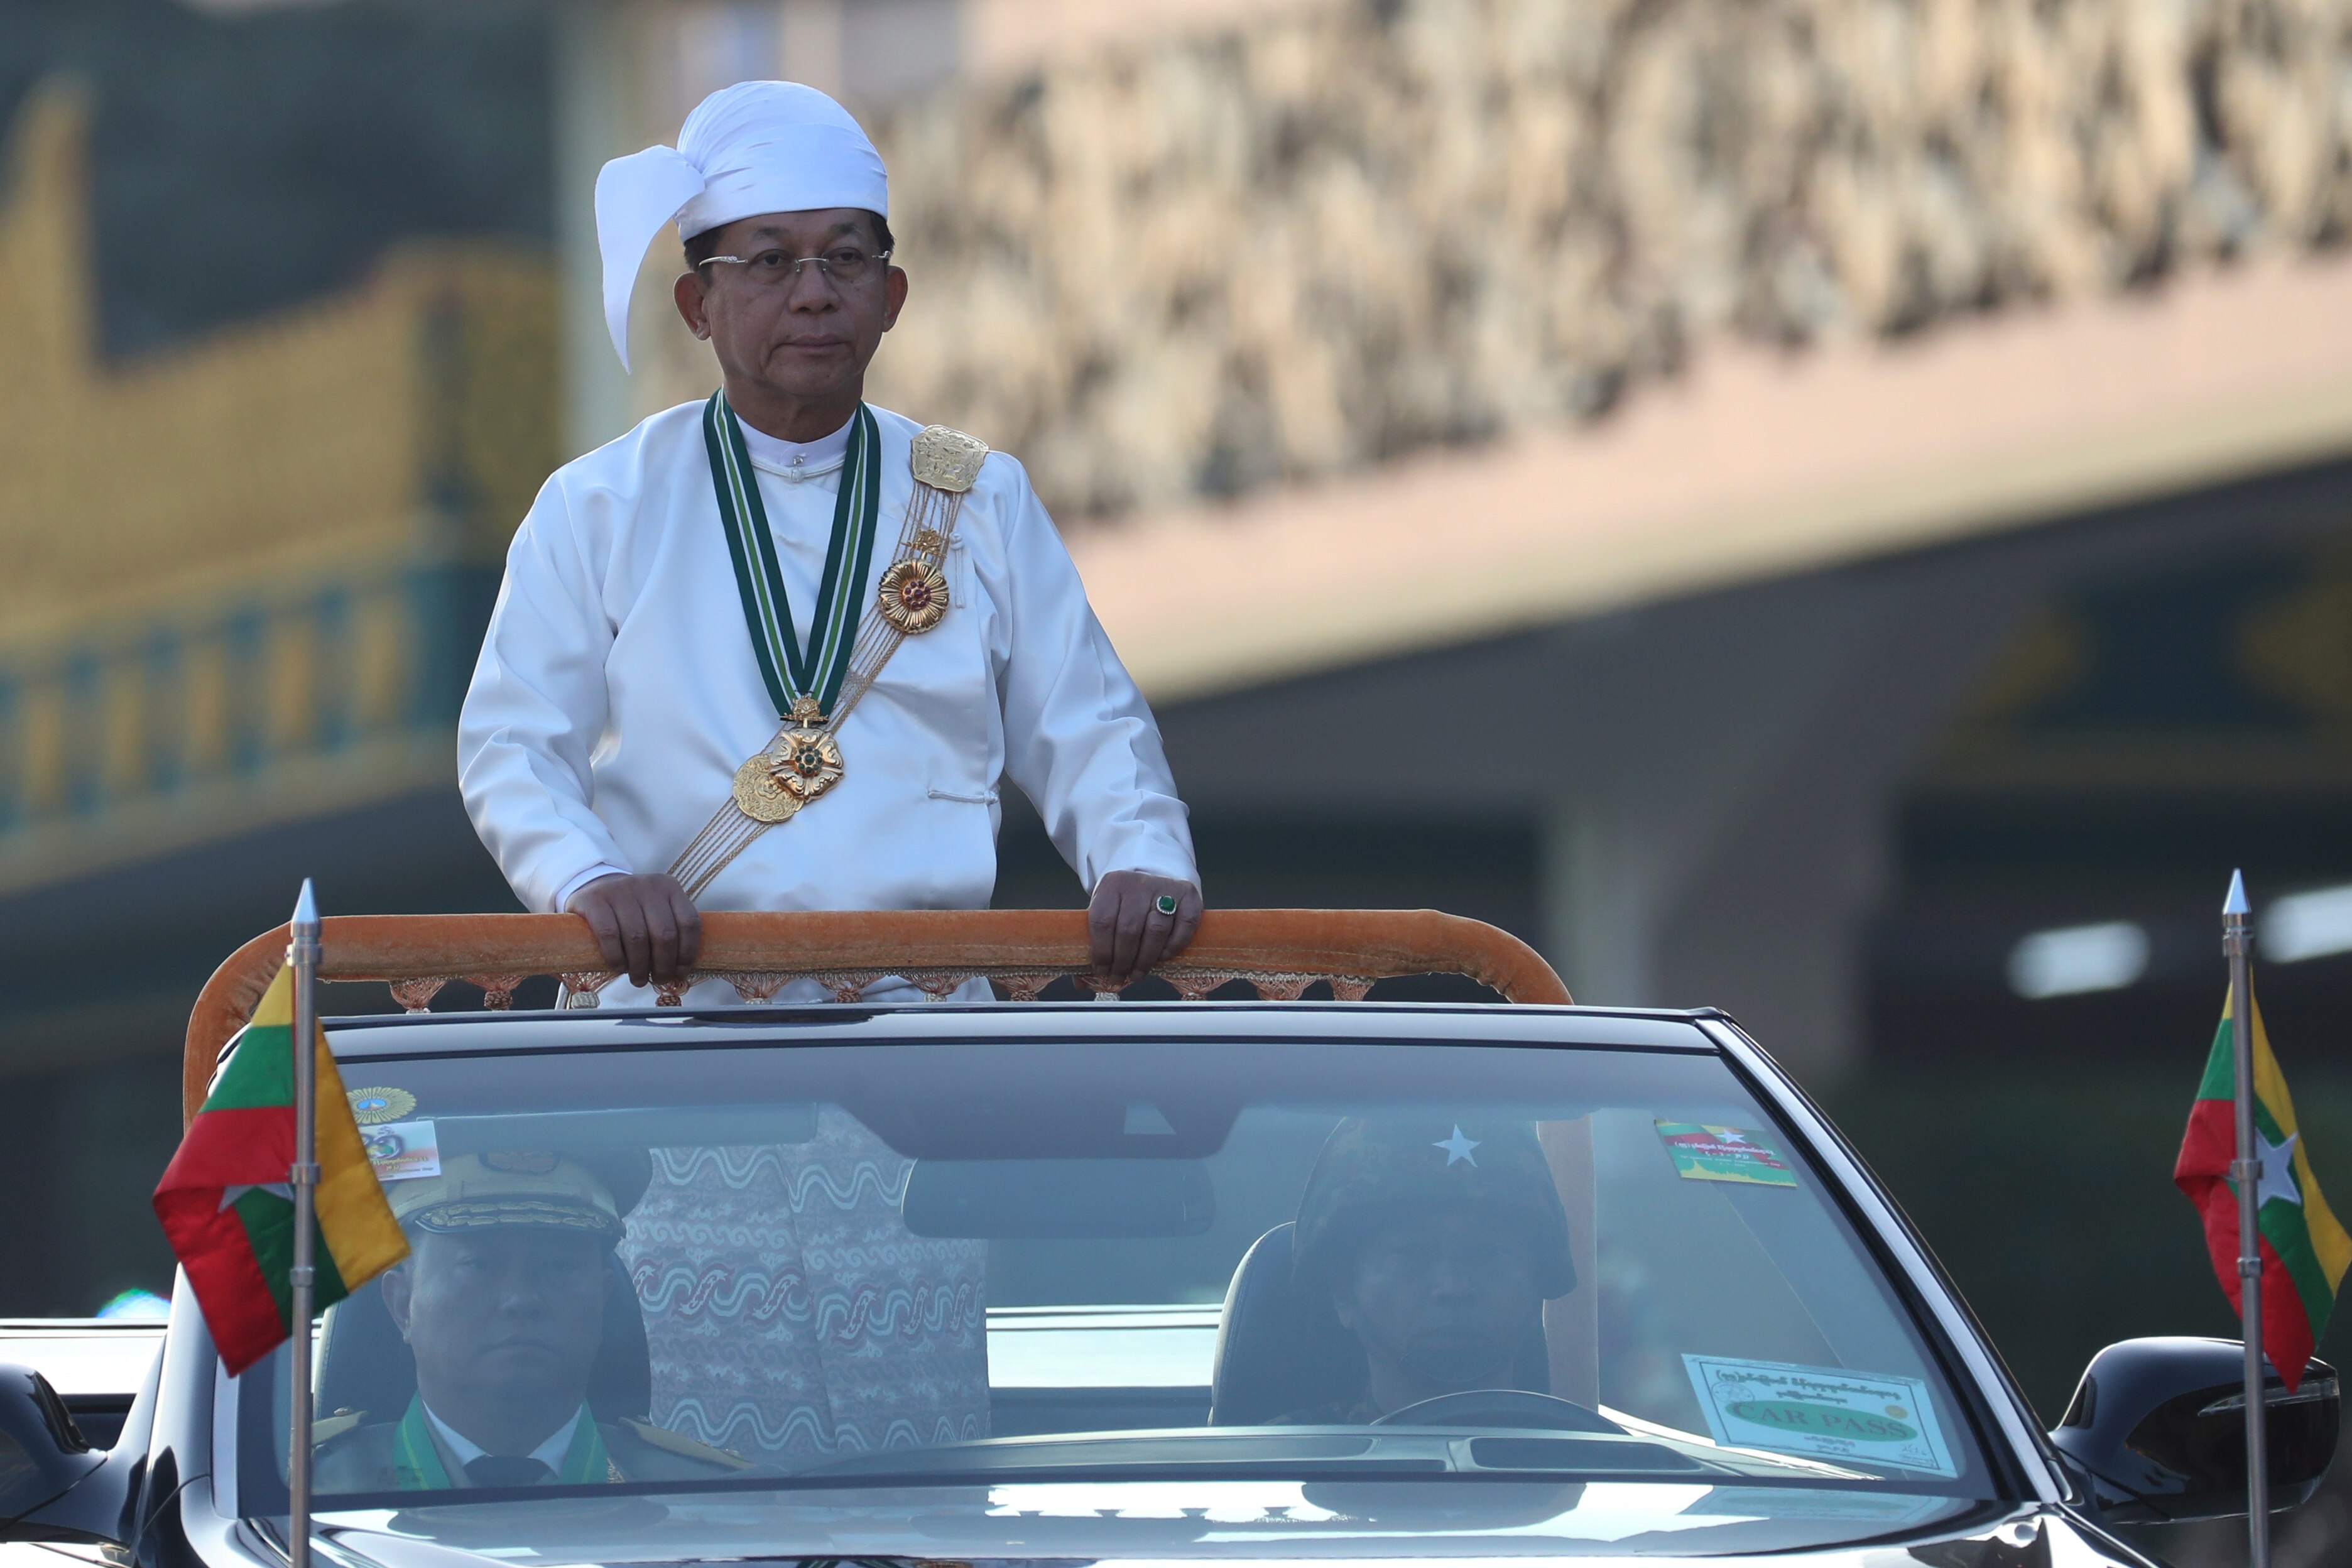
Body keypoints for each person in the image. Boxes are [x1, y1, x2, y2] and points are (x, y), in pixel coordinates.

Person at [458, 80, 1200, 1005]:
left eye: (845, 259)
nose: (813, 295)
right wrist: (590, 880)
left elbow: (1088, 724)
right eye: (771, 262)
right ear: (696, 304)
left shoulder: (976, 497)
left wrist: (1144, 861)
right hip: (675, 1020)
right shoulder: (601, 503)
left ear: (891, 296)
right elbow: (512, 744)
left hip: (928, 1022)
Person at [314, 1153, 748, 1490]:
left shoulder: (709, 1500)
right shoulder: (302, 1499)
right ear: (401, 1304)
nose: (520, 1300)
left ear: (602, 1301)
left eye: (559, 1267)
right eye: (478, 1265)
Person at [1279, 1119, 1577, 1423]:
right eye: (1410, 1255)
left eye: (1489, 1256)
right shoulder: (1280, 1452)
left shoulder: (1587, 1451)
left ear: (1539, 1284)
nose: (1454, 1288)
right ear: (1343, 1292)